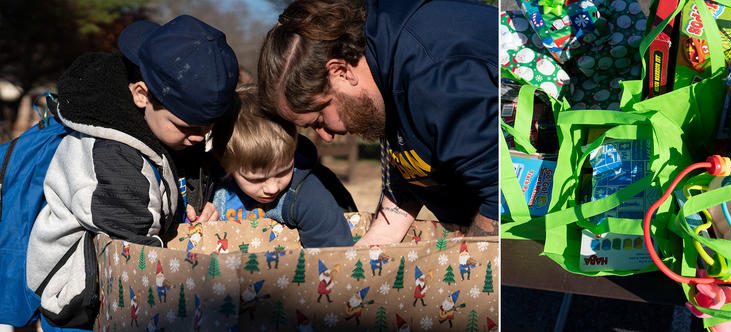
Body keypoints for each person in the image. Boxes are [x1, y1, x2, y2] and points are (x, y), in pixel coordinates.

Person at [25, 15, 238, 325]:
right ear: (141, 94)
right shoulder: (115, 160)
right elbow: (137, 255)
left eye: (207, 127)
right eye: (187, 127)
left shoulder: (163, 127)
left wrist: (196, 206)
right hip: (75, 296)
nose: (198, 137)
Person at [257, 0, 499, 246]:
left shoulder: (433, 77)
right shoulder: (381, 70)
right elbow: (409, 169)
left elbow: (499, 195)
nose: (327, 136)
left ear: (341, 71)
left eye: (319, 119)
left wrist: (466, 270)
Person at [210, 85, 354, 247]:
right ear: (225, 162)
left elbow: (332, 254)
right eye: (256, 179)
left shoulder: (308, 194)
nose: (272, 188)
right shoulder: (210, 185)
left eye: (283, 171)